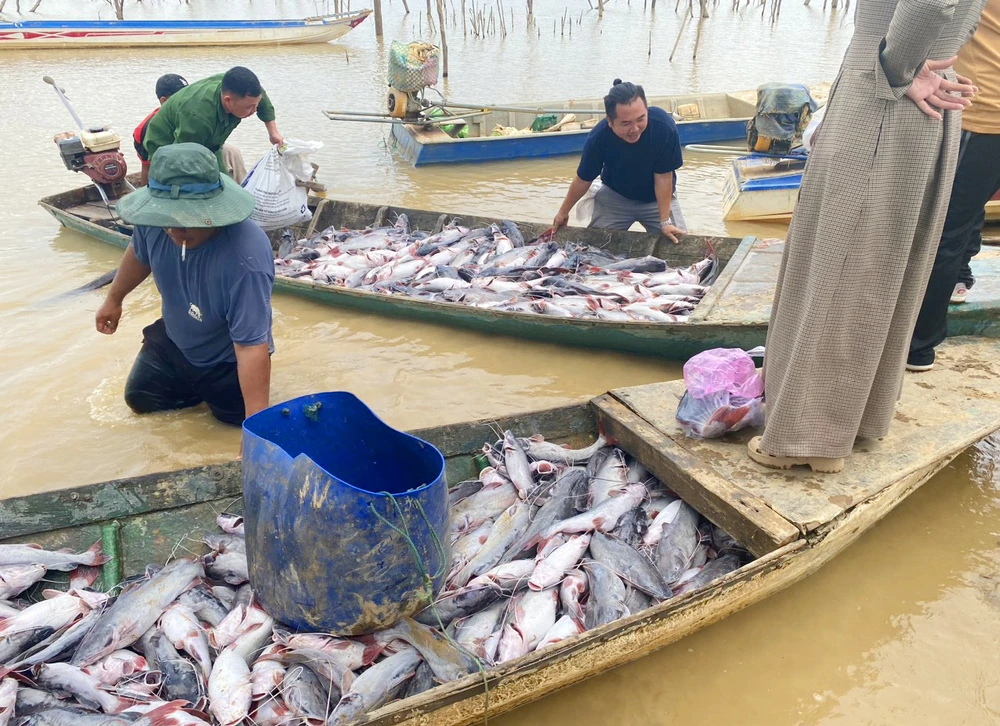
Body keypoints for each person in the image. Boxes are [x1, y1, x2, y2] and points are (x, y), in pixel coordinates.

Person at [746, 0, 982, 474]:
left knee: (845, 266)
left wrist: (898, 68)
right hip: (911, 105)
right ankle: (852, 419)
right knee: (878, 268)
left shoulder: (894, 77)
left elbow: (930, 3)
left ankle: (806, 439)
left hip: (884, 107)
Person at [95, 143, 274, 427]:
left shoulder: (245, 259)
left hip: (223, 360)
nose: (173, 230)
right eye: (168, 218)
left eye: (187, 219)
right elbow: (140, 253)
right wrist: (114, 299)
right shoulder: (156, 220)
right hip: (174, 340)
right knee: (139, 400)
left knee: (233, 425)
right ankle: (192, 391)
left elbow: (251, 345)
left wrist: (257, 426)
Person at [907, 0, 1000, 371]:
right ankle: (961, 277)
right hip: (986, 112)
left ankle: (918, 347)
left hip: (978, 113)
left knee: (942, 228)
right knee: (966, 211)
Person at [552, 80, 686, 243]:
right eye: (626, 123)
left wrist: (665, 221)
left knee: (679, 244)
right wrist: (562, 212)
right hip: (615, 196)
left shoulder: (663, 127)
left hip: (657, 200)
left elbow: (664, 177)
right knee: (592, 248)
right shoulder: (599, 137)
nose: (635, 129)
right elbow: (583, 179)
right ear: (610, 121)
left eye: (640, 119)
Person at [143, 66, 283, 177]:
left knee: (224, 183)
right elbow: (187, 155)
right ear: (228, 101)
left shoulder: (240, 89)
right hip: (168, 144)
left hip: (210, 143)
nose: (254, 110)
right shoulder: (198, 116)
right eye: (249, 107)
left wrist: (273, 133)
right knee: (194, 183)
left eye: (256, 104)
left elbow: (262, 99)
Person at [134, 73, 248, 186]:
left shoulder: (196, 111)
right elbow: (149, 167)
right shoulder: (148, 129)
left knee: (231, 151)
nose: (188, 98)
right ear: (164, 101)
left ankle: (243, 189)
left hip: (204, 148)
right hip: (176, 161)